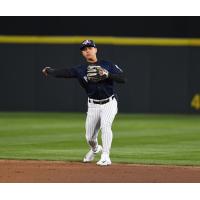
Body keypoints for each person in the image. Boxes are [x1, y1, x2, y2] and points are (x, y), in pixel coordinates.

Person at [42, 39, 125, 166]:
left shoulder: (107, 64)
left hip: (109, 103)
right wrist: (50, 71)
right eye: (84, 50)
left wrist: (108, 75)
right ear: (82, 53)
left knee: (105, 126)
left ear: (95, 50)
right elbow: (65, 72)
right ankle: (95, 149)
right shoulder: (80, 69)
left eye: (90, 48)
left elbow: (123, 78)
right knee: (90, 137)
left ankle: (105, 156)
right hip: (93, 105)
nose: (87, 51)